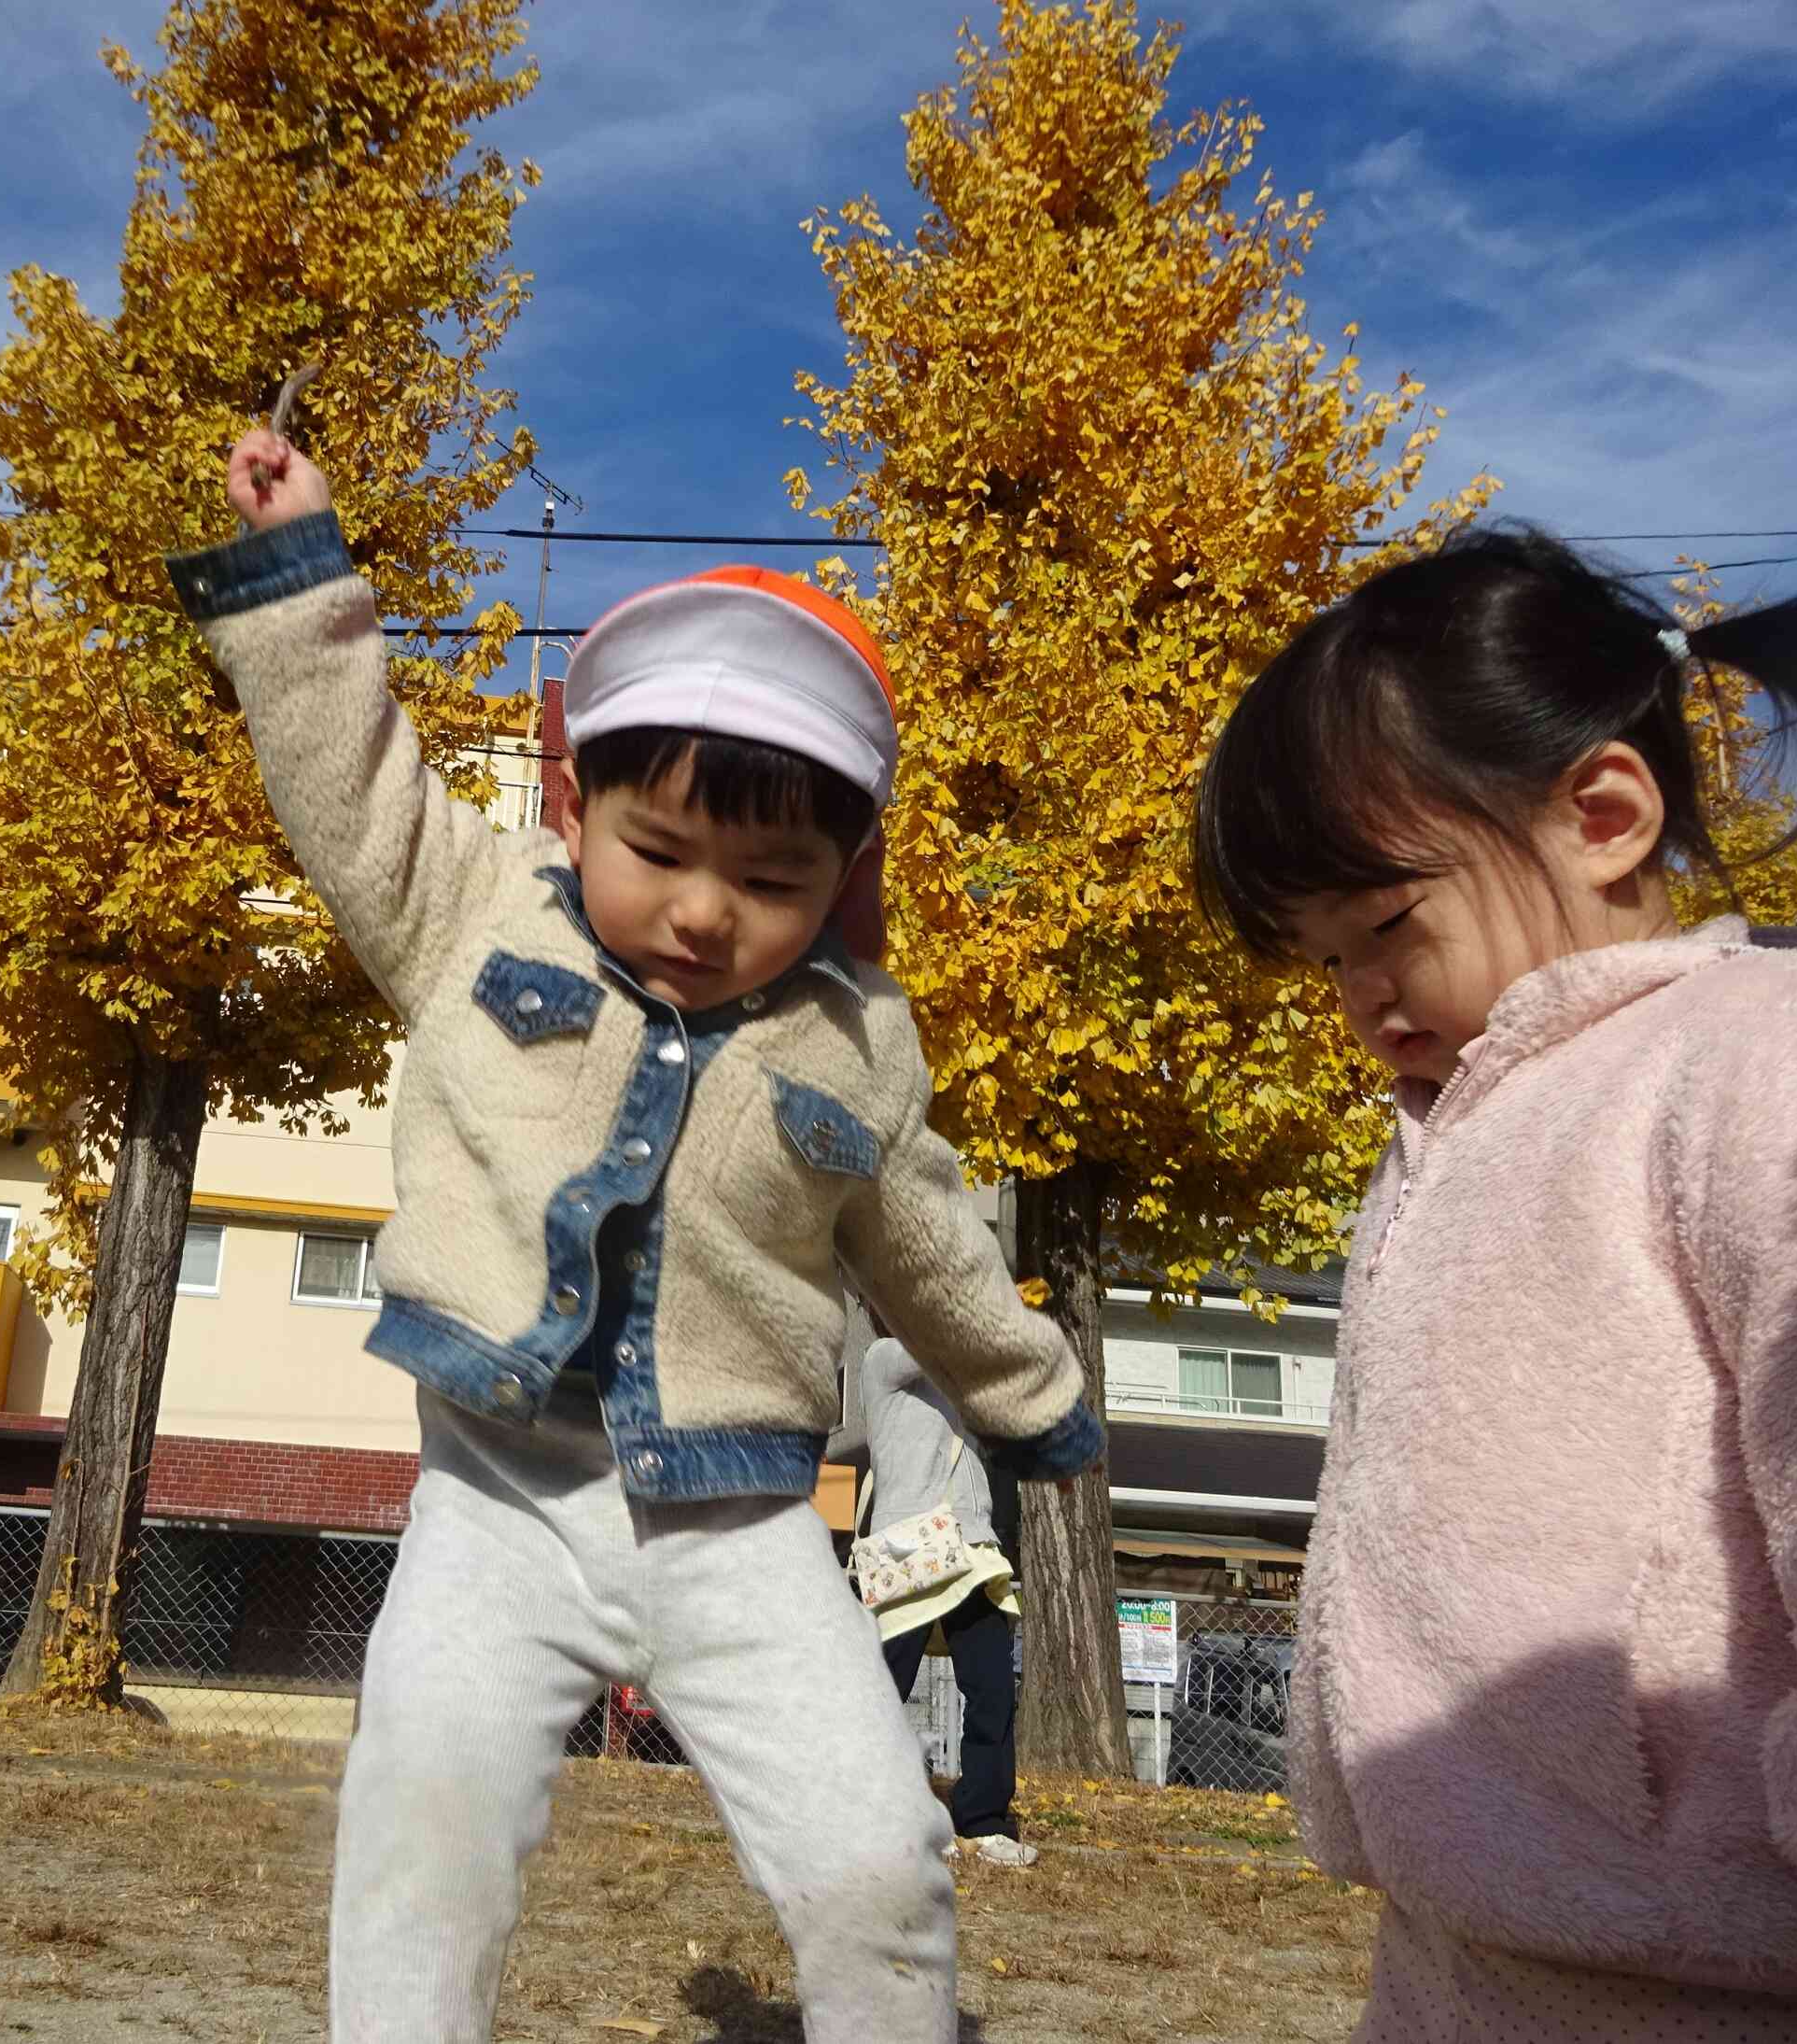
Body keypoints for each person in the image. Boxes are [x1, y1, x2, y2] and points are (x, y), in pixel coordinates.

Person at [168, 429, 1102, 2044]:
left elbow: (926, 1237)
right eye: (655, 850)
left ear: (841, 875)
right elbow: (346, 768)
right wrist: (297, 576)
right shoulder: (470, 911)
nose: (699, 910)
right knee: (418, 1838)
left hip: (736, 1533)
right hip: (491, 1503)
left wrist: (1027, 1396)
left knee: (879, 1852)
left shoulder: (850, 1037)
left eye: (770, 875)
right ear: (570, 796)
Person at [1190, 528, 1797, 2041]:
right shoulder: (1457, 1124)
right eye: (1320, 960)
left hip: (1738, 1958)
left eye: (1384, 925)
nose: (1359, 999)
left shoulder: (1760, 1060)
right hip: (1467, 1926)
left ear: (1600, 814)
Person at [854, 1322, 1035, 1866]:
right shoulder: (883, 1359)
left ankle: (982, 1822)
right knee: (886, 1691)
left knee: (992, 1687)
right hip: (909, 1550)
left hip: (969, 1547)